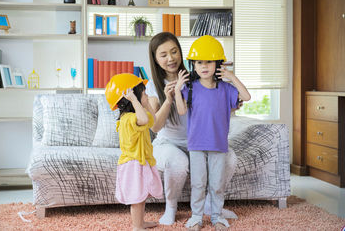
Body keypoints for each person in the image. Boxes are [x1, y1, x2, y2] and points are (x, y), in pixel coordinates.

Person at [146, 32, 238, 226]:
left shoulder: (198, 78)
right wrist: (170, 98)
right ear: (155, 59)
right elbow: (154, 126)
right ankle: (171, 207)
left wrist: (231, 103)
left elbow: (215, 111)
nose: (170, 58)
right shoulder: (153, 86)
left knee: (229, 157)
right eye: (163, 55)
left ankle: (210, 204)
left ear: (181, 53)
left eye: (174, 51)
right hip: (168, 144)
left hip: (198, 142)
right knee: (177, 162)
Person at [174, 35, 251, 230]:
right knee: (198, 184)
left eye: (209, 61)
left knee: (217, 185)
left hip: (218, 145)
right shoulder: (190, 88)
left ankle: (217, 217)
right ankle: (197, 217)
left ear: (218, 64)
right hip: (196, 145)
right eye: (199, 62)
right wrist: (177, 89)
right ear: (193, 65)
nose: (204, 66)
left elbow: (246, 96)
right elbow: (182, 110)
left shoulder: (226, 89)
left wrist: (231, 76)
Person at [105, 73, 164, 231]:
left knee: (141, 196)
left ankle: (140, 222)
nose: (146, 95)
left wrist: (146, 104)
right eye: (143, 92)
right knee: (137, 198)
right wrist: (136, 100)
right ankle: (137, 227)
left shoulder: (137, 115)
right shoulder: (127, 119)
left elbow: (153, 121)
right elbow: (144, 120)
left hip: (141, 161)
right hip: (132, 164)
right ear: (131, 97)